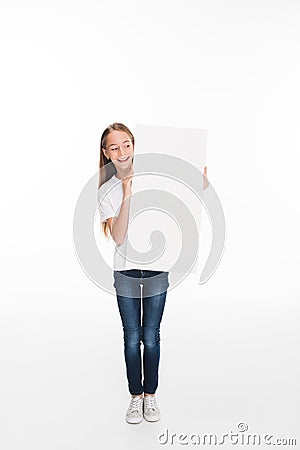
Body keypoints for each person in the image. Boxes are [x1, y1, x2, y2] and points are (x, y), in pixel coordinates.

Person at [98, 122, 208, 424]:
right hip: (126, 272)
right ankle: (135, 396)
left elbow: (180, 201)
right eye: (114, 147)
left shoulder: (154, 177)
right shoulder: (107, 190)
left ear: (134, 146)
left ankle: (151, 395)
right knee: (132, 337)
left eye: (126, 144)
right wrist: (127, 191)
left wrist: (200, 183)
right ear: (106, 154)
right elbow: (119, 237)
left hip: (158, 268)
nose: (122, 152)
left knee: (152, 335)